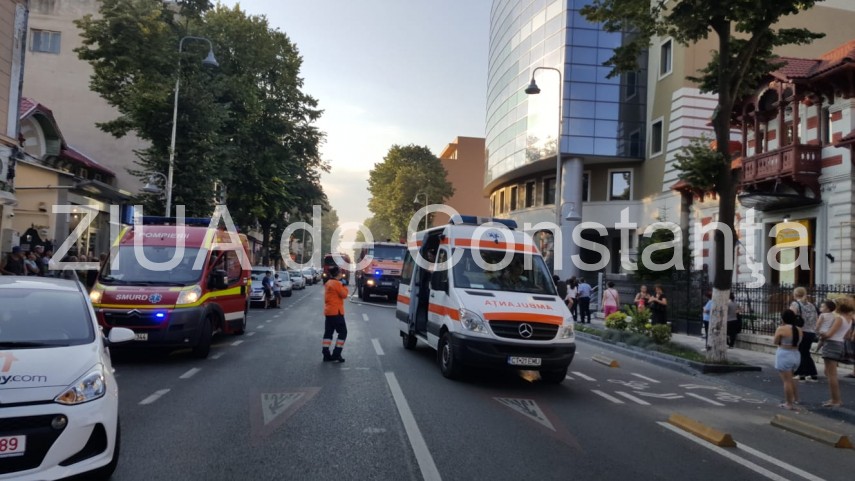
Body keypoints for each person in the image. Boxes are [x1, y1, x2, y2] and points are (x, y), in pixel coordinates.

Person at [817, 296, 855, 407]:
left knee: (831, 375)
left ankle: (835, 400)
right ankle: (835, 399)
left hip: (832, 344)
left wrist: (821, 334)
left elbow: (829, 334)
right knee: (831, 373)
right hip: (839, 344)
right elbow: (847, 335)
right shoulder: (849, 319)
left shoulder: (839, 319)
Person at [774, 310, 803, 411]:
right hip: (796, 354)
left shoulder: (781, 329)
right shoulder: (799, 329)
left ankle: (789, 403)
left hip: (784, 354)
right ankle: (796, 398)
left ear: (783, 318)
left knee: (786, 381)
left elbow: (776, 341)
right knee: (792, 378)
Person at [790, 287, 819, 382]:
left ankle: (800, 373)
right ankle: (812, 372)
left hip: (801, 331)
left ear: (795, 294)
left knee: (800, 352)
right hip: (811, 331)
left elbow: (791, 316)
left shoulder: (795, 304)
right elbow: (816, 318)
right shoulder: (811, 305)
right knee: (805, 352)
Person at [322, 265, 349, 362]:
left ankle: (326, 354)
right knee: (343, 332)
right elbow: (344, 295)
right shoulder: (337, 283)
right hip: (336, 312)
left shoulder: (329, 282)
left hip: (329, 312)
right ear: (338, 274)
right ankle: (336, 354)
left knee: (328, 333)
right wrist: (344, 286)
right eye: (341, 273)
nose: (342, 274)